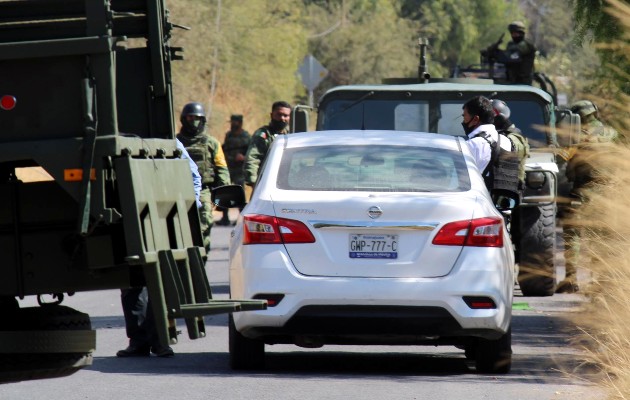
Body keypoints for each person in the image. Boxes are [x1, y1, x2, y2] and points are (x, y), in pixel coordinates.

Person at [117, 139, 201, 358]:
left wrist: (188, 209)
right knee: (132, 283)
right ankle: (138, 341)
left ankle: (161, 340)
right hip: (127, 220)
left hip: (161, 218)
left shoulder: (169, 142)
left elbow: (192, 176)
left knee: (160, 282)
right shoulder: (118, 141)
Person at [557, 100, 618, 293]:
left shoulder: (575, 138)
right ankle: (600, 281)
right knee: (600, 237)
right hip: (608, 194)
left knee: (572, 234)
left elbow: (559, 159)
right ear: (594, 113)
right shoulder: (612, 134)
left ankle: (571, 279)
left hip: (582, 192)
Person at [176, 102, 231, 253]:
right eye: (189, 117)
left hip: (204, 190)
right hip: (178, 189)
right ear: (183, 119)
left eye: (196, 118)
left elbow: (221, 168)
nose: (192, 121)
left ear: (203, 120)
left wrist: (224, 194)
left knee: (204, 224)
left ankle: (201, 256)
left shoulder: (212, 143)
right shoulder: (175, 142)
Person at [244, 101, 292, 187]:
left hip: (288, 182)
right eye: (279, 114)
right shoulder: (263, 135)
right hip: (266, 183)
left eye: (286, 115)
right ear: (272, 115)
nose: (282, 118)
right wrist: (253, 182)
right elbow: (253, 158)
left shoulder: (292, 135)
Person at [462, 96, 513, 175]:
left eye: (464, 116)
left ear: (475, 119)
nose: (463, 121)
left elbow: (461, 177)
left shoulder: (472, 144)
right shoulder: (507, 141)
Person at [217, 114, 250, 226]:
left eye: (235, 122)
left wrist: (243, 157)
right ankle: (225, 217)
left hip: (239, 170)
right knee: (225, 192)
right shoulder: (229, 135)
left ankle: (241, 218)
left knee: (239, 195)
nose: (233, 124)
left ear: (240, 123)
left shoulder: (246, 136)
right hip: (228, 167)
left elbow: (250, 153)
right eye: (232, 122)